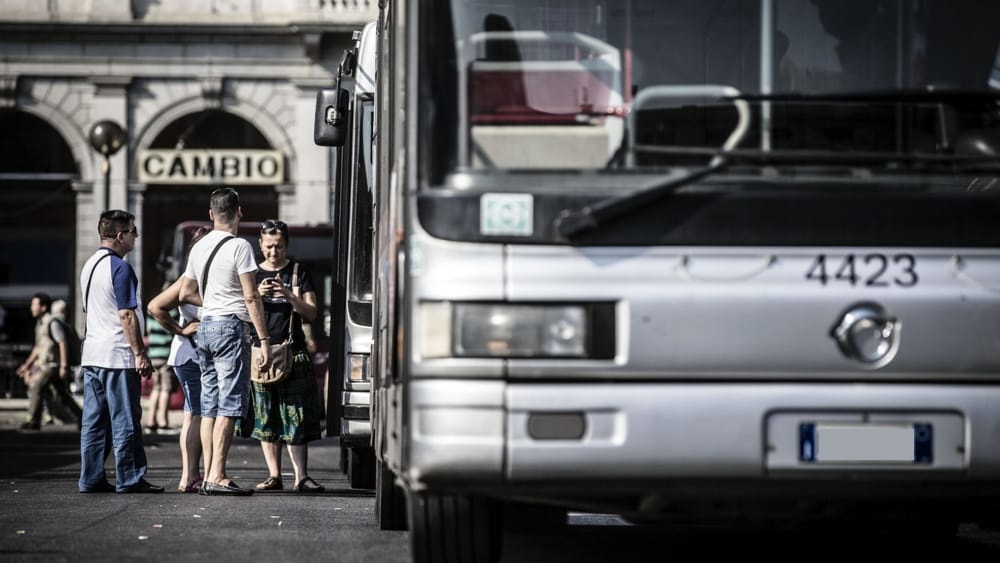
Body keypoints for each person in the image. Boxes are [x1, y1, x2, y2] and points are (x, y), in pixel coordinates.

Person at [179, 187, 271, 496]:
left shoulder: (199, 246)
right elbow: (251, 294)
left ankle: (208, 475)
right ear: (239, 212)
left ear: (210, 214)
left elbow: (185, 293)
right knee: (230, 405)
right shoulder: (240, 246)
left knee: (209, 406)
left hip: (205, 327)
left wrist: (212, 302)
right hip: (231, 327)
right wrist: (264, 339)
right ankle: (217, 475)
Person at [78, 209, 163, 494]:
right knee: (125, 419)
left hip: (92, 354)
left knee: (94, 422)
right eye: (132, 231)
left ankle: (90, 478)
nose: (135, 236)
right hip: (117, 355)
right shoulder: (120, 268)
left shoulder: (89, 265)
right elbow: (126, 314)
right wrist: (140, 353)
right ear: (120, 235)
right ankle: (130, 478)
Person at [250, 219, 325, 493]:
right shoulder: (251, 275)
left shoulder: (297, 272)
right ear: (260, 244)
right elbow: (239, 312)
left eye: (279, 246)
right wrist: (256, 295)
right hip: (261, 353)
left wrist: (288, 295)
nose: (273, 252)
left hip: (294, 351)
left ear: (286, 245)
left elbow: (311, 312)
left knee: (296, 415)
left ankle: (301, 476)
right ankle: (273, 475)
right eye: (269, 246)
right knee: (266, 416)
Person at [148, 226, 210, 493]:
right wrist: (181, 330)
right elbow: (155, 307)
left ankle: (192, 475)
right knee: (197, 414)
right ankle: (191, 476)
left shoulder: (204, 277)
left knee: (192, 415)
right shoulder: (189, 278)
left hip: (192, 355)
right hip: (191, 355)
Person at [16, 293, 83, 431]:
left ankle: (33, 420)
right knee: (62, 395)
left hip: (53, 365)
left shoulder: (52, 323)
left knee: (37, 387)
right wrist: (26, 365)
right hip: (46, 364)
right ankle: (82, 417)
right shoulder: (40, 324)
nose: (32, 308)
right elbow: (38, 347)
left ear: (43, 307)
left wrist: (64, 365)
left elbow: (62, 342)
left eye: (35, 305)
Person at [144, 310, 178, 435]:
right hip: (166, 353)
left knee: (156, 388)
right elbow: (175, 330)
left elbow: (148, 330)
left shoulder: (150, 311)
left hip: (153, 353)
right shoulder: (172, 312)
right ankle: (163, 422)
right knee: (165, 389)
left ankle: (151, 422)